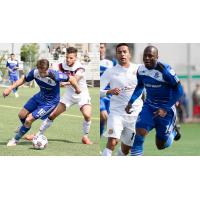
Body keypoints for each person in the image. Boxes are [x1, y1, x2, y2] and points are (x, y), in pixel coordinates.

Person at [3, 59, 81, 146]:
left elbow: (72, 79)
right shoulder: (35, 72)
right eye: (40, 72)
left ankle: (15, 140)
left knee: (29, 119)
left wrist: (77, 89)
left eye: (44, 72)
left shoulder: (55, 75)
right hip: (40, 96)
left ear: (48, 68)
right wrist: (10, 88)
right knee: (21, 115)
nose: (42, 74)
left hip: (50, 102)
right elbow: (23, 79)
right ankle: (24, 127)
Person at [125, 46, 183, 156]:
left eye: (150, 56)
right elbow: (140, 86)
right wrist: (130, 102)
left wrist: (165, 108)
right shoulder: (141, 70)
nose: (147, 58)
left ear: (157, 57)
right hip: (149, 106)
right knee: (139, 133)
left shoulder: (165, 70)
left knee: (160, 145)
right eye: (145, 56)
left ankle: (173, 131)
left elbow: (179, 90)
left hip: (166, 109)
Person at [31, 47, 93, 144]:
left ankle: (85, 136)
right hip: (69, 95)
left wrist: (65, 83)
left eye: (71, 58)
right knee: (52, 115)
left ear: (76, 58)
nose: (68, 60)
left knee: (87, 115)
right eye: (67, 57)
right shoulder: (61, 65)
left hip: (81, 94)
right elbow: (52, 72)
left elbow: (75, 79)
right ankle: (38, 134)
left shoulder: (80, 67)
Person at [101, 43, 143, 156]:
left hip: (135, 115)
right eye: (119, 52)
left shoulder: (139, 69)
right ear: (116, 55)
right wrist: (109, 91)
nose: (122, 54)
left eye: (125, 52)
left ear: (129, 54)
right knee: (112, 142)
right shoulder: (110, 72)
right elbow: (98, 92)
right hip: (116, 113)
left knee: (126, 149)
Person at [100, 43, 114, 136]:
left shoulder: (110, 63)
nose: (99, 50)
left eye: (101, 47)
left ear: (104, 49)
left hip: (109, 96)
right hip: (99, 95)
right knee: (104, 116)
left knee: (103, 121)